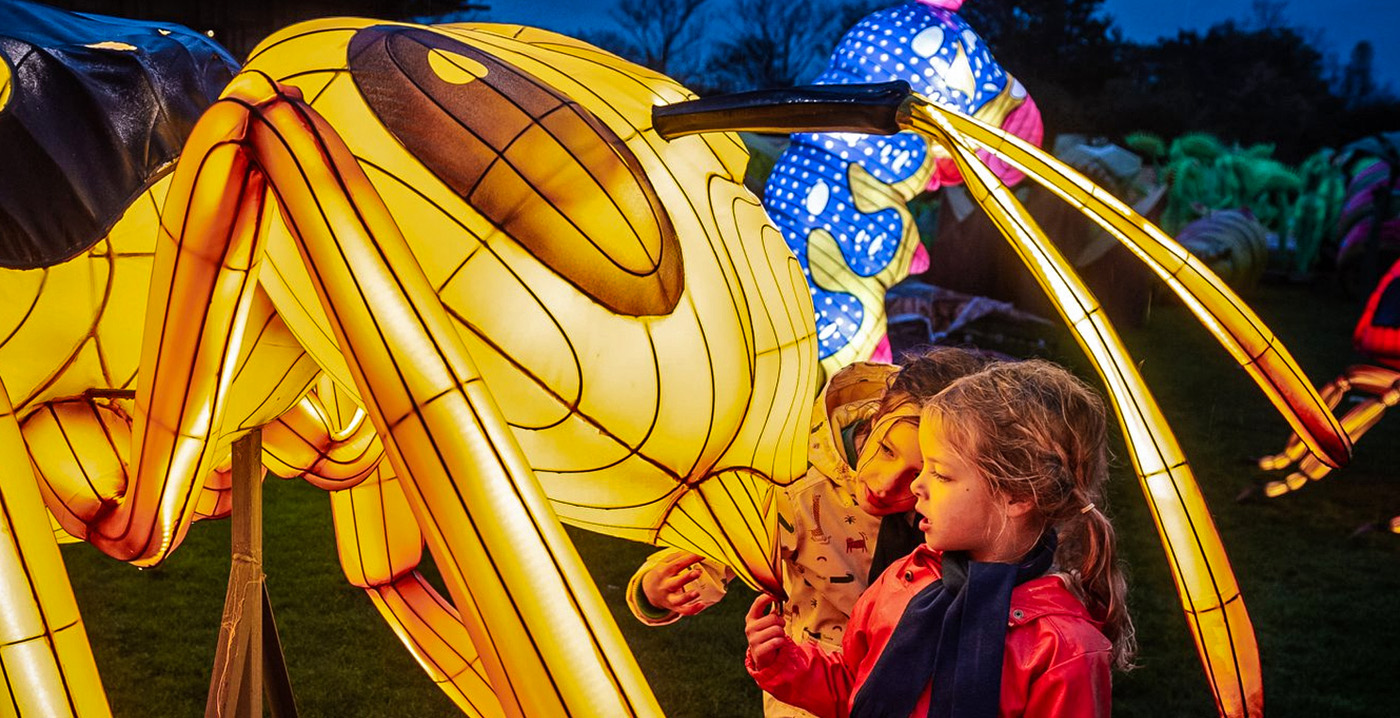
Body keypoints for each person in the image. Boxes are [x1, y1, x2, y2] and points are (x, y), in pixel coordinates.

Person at [744, 359, 1135, 718]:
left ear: (1017, 496)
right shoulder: (902, 582)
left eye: (941, 474)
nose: (917, 485)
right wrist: (785, 661)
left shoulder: (1061, 650)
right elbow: (854, 685)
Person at [626, 348, 994, 718]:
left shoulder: (962, 494)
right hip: (809, 683)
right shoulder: (789, 480)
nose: (885, 485)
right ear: (879, 410)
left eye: (918, 474)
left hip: (915, 688)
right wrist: (657, 589)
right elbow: (718, 544)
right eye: (884, 450)